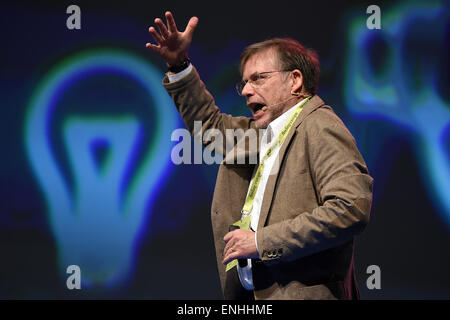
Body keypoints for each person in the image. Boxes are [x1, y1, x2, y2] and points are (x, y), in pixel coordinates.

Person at [146, 11, 373, 300]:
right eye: (245, 83)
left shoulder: (321, 126)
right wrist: (179, 65)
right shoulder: (263, 133)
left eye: (258, 79)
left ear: (295, 81)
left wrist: (261, 241)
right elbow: (211, 127)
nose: (246, 91)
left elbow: (349, 208)